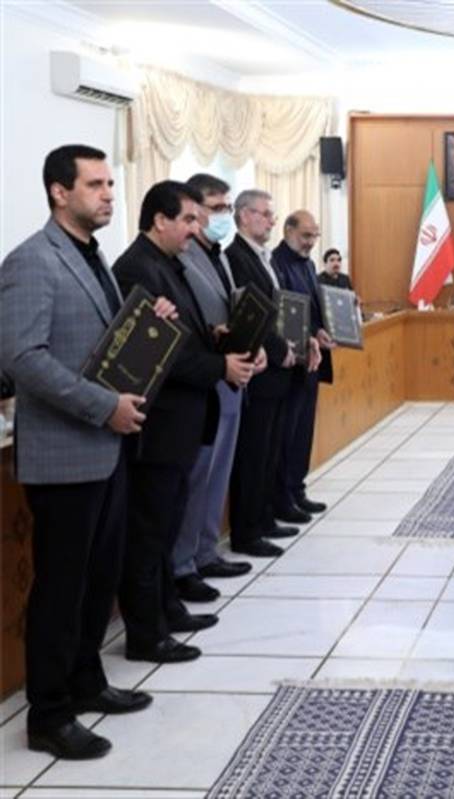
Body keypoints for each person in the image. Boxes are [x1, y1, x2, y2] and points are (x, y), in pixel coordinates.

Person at [0, 145, 170, 759]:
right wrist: (104, 407)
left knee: (99, 581)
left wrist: (150, 319)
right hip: (65, 454)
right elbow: (22, 359)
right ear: (58, 191)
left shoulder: (92, 256)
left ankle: (86, 680)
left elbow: (102, 341)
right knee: (62, 590)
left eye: (110, 185)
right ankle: (49, 715)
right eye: (95, 184)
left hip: (107, 449)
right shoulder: (31, 261)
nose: (108, 195)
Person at [112, 181, 257, 664]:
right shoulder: (137, 268)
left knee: (166, 524)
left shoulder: (169, 264)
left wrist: (215, 336)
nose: (196, 229)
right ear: (160, 220)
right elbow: (157, 354)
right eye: (189, 220)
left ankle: (167, 609)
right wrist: (220, 366)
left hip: (183, 421)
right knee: (148, 532)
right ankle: (146, 633)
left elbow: (182, 336)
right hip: (159, 423)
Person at [171, 173, 259, 605]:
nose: (223, 214)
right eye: (217, 207)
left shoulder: (217, 255)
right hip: (205, 376)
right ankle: (183, 564)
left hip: (231, 372)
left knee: (217, 471)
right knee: (197, 475)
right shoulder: (183, 257)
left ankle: (205, 551)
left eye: (227, 205)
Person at [225, 189, 297, 558]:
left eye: (272, 215)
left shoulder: (263, 257)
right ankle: (247, 530)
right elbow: (251, 313)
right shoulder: (236, 257)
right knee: (253, 454)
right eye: (265, 214)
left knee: (269, 450)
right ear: (244, 215)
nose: (271, 221)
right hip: (260, 367)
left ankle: (264, 517)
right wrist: (280, 349)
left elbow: (278, 310)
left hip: (276, 369)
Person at [272, 211, 332, 525]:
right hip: (290, 362)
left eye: (314, 236)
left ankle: (297, 488)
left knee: (303, 432)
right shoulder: (276, 263)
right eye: (306, 235)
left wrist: (320, 330)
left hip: (311, 361)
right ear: (288, 231)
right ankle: (282, 496)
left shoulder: (308, 265)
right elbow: (283, 314)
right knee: (287, 433)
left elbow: (313, 308)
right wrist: (306, 337)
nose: (310, 242)